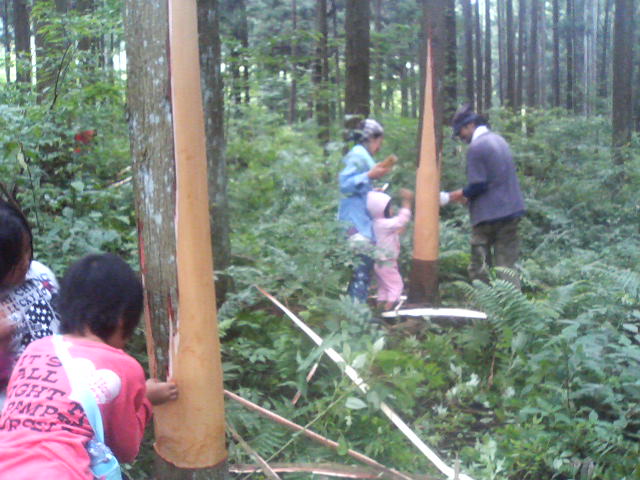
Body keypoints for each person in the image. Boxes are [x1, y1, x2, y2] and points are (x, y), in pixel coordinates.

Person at [0, 253, 178, 478]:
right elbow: (125, 449)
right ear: (123, 320)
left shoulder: (34, 350)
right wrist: (146, 401)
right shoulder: (123, 368)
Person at [447, 105, 525, 288]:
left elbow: (478, 185)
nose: (461, 137)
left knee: (480, 267)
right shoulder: (499, 140)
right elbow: (495, 180)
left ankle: (483, 302)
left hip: (488, 216)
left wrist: (455, 196)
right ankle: (512, 304)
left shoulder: (477, 147)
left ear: (470, 125)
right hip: (511, 211)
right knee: (507, 267)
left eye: (460, 132)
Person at [0, 199, 59, 408]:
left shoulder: (40, 274)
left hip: (64, 390)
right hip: (16, 410)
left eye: (27, 250)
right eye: (15, 261)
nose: (26, 262)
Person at [337, 119, 392, 302]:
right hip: (354, 223)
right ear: (370, 139)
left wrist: (371, 189)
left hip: (362, 222)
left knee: (362, 271)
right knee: (360, 271)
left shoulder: (362, 156)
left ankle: (355, 308)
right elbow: (344, 184)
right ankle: (355, 310)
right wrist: (369, 175)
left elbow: (357, 187)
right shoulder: (357, 155)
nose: (379, 146)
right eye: (378, 141)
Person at [367, 188, 413, 311]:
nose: (392, 209)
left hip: (378, 261)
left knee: (383, 287)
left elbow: (391, 234)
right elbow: (402, 220)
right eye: (390, 207)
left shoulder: (374, 223)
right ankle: (391, 309)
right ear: (381, 210)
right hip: (386, 261)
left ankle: (380, 308)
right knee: (396, 286)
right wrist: (407, 202)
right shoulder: (383, 224)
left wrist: (374, 194)